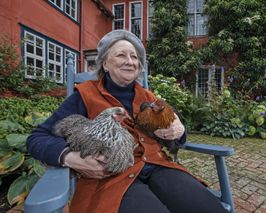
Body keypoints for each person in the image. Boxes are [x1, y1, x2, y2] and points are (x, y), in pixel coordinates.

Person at [27, 30, 227, 213]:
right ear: (105, 64)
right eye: (121, 55)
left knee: (208, 208)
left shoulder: (149, 97)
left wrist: (178, 131)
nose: (130, 61)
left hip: (157, 165)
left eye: (134, 57)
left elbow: (174, 140)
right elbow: (37, 137)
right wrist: (70, 158)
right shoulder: (84, 95)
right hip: (111, 175)